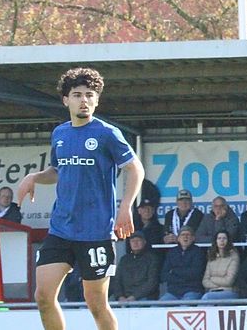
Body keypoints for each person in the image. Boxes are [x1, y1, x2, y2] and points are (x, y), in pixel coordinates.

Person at [17, 67, 144, 330]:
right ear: (66, 100)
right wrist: (34, 177)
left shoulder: (107, 133)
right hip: (61, 229)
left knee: (96, 303)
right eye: (77, 95)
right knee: (43, 297)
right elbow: (57, 171)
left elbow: (135, 169)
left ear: (97, 100)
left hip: (96, 232)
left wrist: (125, 207)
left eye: (89, 95)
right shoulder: (60, 134)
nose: (83, 100)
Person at [109, 232, 160, 302]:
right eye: (132, 241)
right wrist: (120, 296)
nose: (135, 243)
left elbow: (152, 283)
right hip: (124, 298)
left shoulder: (152, 259)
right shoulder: (124, 259)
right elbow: (117, 280)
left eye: (138, 240)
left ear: (144, 242)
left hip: (145, 297)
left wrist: (134, 297)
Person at [160, 226, 206, 301]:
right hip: (173, 292)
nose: (185, 237)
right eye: (182, 235)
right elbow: (164, 274)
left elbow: (196, 273)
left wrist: (174, 271)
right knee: (157, 306)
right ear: (178, 238)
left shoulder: (199, 252)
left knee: (184, 307)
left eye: (188, 235)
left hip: (192, 290)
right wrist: (183, 276)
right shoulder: (172, 252)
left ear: (193, 238)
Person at [201, 230, 240, 300]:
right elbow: (205, 281)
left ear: (228, 241)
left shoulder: (234, 256)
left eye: (224, 238)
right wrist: (218, 286)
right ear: (216, 241)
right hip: (212, 291)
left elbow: (229, 281)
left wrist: (212, 279)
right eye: (219, 238)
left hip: (229, 292)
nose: (222, 240)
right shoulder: (211, 256)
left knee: (207, 298)